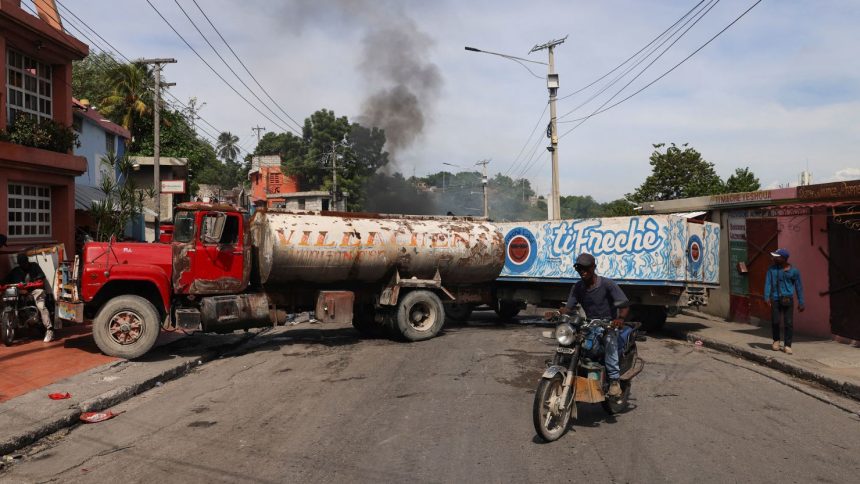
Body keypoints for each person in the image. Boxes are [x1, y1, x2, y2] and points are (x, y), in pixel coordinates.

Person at [561, 253, 630, 397]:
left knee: (610, 341)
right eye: (579, 268)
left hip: (608, 324)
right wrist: (558, 312)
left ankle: (614, 381)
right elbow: (569, 307)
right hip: (590, 324)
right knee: (573, 340)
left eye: (586, 268)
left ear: (593, 267)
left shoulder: (607, 284)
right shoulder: (578, 287)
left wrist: (620, 319)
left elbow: (624, 305)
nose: (582, 271)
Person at [764, 248, 805, 355]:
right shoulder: (771, 269)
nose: (774, 258)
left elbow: (799, 287)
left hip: (788, 299)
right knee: (775, 321)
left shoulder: (794, 271)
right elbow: (768, 283)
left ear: (783, 258)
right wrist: (766, 297)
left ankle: (787, 345)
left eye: (776, 257)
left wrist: (801, 302)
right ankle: (776, 341)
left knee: (789, 323)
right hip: (775, 298)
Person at [5, 253, 54, 342]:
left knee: (41, 306)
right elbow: (6, 279)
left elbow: (41, 276)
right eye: (21, 263)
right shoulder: (16, 271)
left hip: (36, 291)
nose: (23, 264)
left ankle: (49, 329)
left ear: (27, 261)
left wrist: (34, 280)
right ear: (19, 263)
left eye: (24, 262)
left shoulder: (34, 266)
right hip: (22, 292)